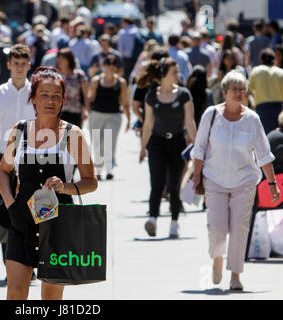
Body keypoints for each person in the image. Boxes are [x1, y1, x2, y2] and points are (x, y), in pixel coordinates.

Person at [0, 66, 98, 300]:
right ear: (32, 98)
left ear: (63, 100)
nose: (50, 101)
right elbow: (2, 172)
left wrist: (67, 187)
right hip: (21, 220)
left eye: (56, 96)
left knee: (51, 297)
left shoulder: (74, 135)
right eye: (44, 95)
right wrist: (11, 204)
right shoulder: (19, 131)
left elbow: (91, 182)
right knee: (15, 294)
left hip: (59, 223)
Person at [191, 70, 280, 291]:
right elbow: (199, 148)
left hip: (244, 179)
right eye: (234, 89)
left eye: (242, 89)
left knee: (239, 228)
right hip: (215, 178)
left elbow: (263, 153)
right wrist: (196, 176)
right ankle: (217, 259)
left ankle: (236, 274)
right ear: (224, 92)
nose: (239, 93)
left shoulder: (252, 119)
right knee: (217, 228)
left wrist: (272, 184)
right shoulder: (211, 115)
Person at [0, 44, 36, 279]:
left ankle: (31, 262)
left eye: (24, 64)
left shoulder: (36, 93)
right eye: (16, 64)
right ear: (9, 65)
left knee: (34, 210)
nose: (20, 68)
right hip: (5, 163)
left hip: (33, 162)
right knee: (8, 210)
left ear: (29, 66)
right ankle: (10, 265)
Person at [140, 57, 197, 238]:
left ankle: (174, 222)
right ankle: (153, 219)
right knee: (156, 182)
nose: (177, 75)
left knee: (174, 184)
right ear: (164, 74)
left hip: (177, 143)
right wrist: (143, 147)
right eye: (174, 72)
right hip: (156, 143)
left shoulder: (183, 94)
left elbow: (190, 122)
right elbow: (148, 124)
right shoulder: (151, 95)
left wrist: (198, 146)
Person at [88, 54, 131, 180]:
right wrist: (87, 113)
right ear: (104, 65)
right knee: (97, 143)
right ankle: (98, 170)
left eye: (114, 64)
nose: (111, 66)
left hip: (114, 116)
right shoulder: (96, 80)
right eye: (108, 63)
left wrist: (128, 119)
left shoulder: (121, 82)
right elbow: (91, 98)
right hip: (97, 115)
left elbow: (125, 102)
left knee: (109, 141)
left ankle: (109, 168)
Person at [248, 48, 283, 134]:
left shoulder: (256, 71)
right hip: (279, 108)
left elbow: (248, 91)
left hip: (262, 108)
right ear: (274, 59)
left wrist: (252, 104)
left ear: (261, 59)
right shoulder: (280, 72)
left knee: (264, 136)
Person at [56, 48, 89, 128]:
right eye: (58, 58)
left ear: (69, 60)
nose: (59, 60)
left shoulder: (79, 75)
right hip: (57, 113)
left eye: (63, 58)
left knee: (73, 139)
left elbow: (86, 95)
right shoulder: (55, 75)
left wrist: (86, 110)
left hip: (75, 114)